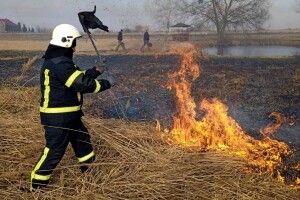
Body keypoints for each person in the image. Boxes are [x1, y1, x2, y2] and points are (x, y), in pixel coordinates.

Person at [30, 24, 114, 191]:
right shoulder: (59, 63)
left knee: (83, 142)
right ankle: (37, 187)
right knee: (54, 151)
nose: (75, 48)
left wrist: (96, 70)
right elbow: (81, 84)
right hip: (58, 117)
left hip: (70, 114)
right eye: (74, 43)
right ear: (66, 42)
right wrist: (106, 83)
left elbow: (77, 77)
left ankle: (89, 173)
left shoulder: (60, 61)